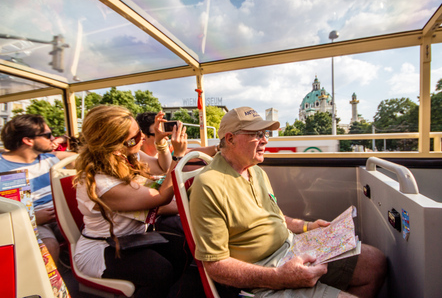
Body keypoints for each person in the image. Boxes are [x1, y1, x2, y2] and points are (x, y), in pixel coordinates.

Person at [189, 106, 387, 298]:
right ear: (230, 139)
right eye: (256, 134)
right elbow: (216, 266)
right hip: (264, 273)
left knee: (375, 262)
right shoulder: (209, 185)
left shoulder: (256, 171)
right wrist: (280, 278)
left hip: (292, 247)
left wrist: (308, 227)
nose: (265, 140)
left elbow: (274, 217)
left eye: (265, 133)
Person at [74, 105, 202, 298]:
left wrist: (161, 143)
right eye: (134, 138)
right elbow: (161, 197)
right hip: (104, 248)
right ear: (114, 146)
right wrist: (178, 155)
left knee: (183, 248)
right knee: (160, 271)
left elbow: (161, 167)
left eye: (141, 132)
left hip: (134, 240)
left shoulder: (126, 156)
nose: (142, 138)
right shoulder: (101, 182)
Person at [0, 114, 77, 264]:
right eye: (47, 135)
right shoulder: (3, 168)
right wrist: (32, 218)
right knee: (49, 246)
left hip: (61, 213)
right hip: (29, 219)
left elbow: (76, 158)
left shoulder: (49, 158)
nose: (53, 138)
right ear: (28, 140)